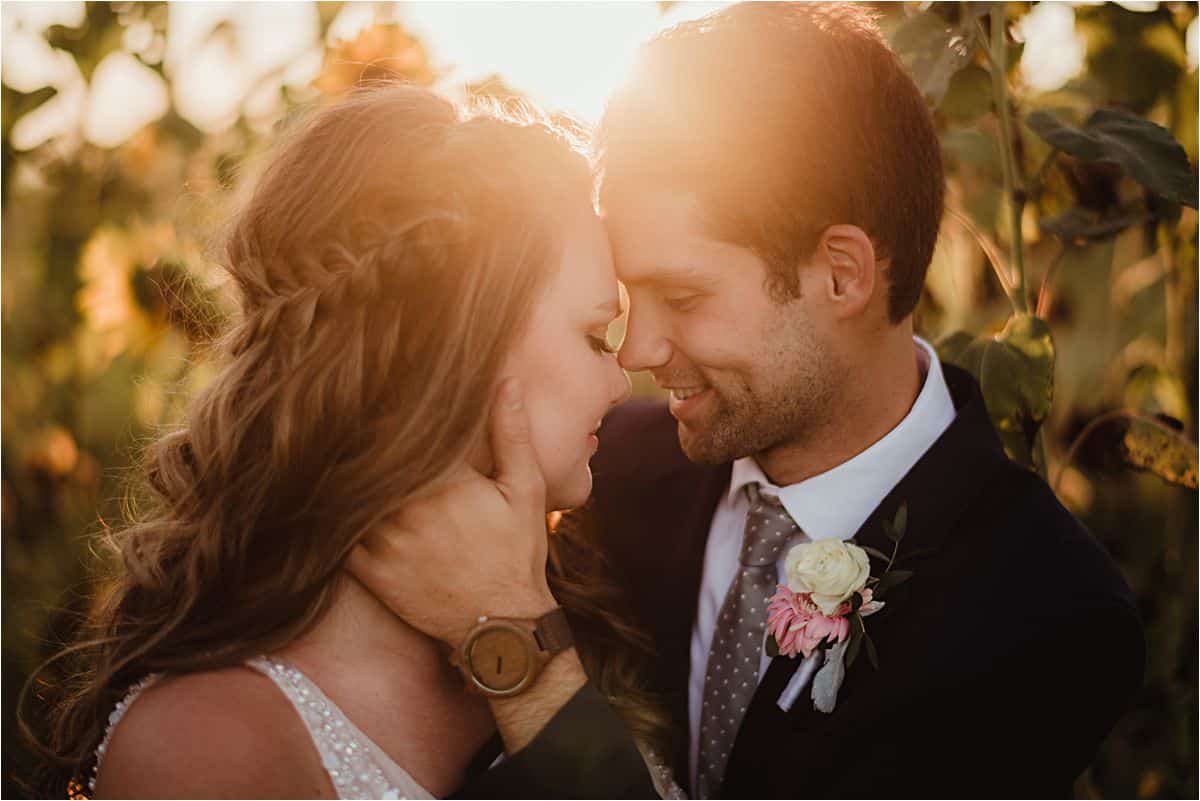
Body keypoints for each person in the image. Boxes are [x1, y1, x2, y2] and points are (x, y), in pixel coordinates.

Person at [350, 4, 1145, 798]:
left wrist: (518, 646)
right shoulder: (601, 475)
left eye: (683, 294)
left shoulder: (1049, 615)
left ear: (842, 274)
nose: (636, 351)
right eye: (631, 297)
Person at [25, 85, 665, 799]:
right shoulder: (209, 748)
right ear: (454, 347)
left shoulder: (584, 605)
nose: (620, 382)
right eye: (593, 335)